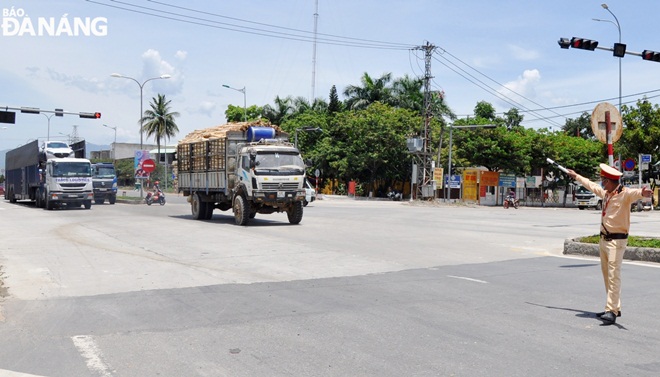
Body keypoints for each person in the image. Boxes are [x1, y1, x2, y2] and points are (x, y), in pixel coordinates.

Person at [566, 163, 653, 325]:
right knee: (607, 275)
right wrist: (576, 176)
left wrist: (643, 192)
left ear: (610, 180)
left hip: (617, 240)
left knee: (614, 275)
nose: (601, 184)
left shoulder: (625, 194)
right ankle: (613, 307)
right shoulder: (607, 194)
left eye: (603, 181)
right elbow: (591, 185)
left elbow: (637, 193)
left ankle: (611, 311)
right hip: (604, 239)